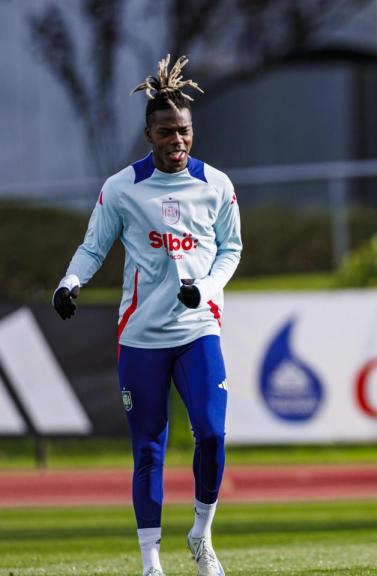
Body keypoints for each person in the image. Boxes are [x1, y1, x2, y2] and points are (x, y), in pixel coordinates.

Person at [52, 55, 241, 576]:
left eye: (183, 131)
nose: (177, 141)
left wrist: (203, 290)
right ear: (148, 134)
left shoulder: (218, 186)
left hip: (198, 330)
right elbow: (93, 248)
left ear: (192, 131)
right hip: (141, 337)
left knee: (212, 434)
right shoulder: (121, 189)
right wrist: (70, 283)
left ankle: (201, 535)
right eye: (166, 133)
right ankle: (150, 562)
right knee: (149, 450)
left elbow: (231, 250)